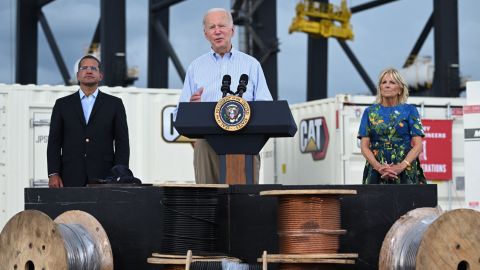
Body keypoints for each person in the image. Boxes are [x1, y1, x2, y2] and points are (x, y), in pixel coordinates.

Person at [176, 8, 273, 184]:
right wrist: (190, 108)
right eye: (212, 27)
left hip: (246, 142)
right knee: (208, 202)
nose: (217, 31)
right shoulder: (195, 67)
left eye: (222, 25)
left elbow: (266, 106)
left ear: (232, 30)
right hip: (207, 143)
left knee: (244, 204)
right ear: (206, 34)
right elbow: (179, 115)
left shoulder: (252, 65)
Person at [47, 55, 130, 187]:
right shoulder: (62, 105)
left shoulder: (115, 104)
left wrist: (120, 174)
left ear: (100, 76)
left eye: (93, 68)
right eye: (84, 68)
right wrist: (53, 173)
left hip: (105, 176)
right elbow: (54, 143)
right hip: (69, 176)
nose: (89, 71)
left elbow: (122, 143)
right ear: (78, 75)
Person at [357, 68, 426, 184]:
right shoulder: (370, 112)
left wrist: (401, 166)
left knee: (408, 201)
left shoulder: (410, 110)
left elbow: (418, 145)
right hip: (376, 170)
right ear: (380, 88)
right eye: (384, 82)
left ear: (400, 89)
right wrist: (379, 167)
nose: (387, 85)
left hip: (405, 169)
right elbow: (364, 146)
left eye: (392, 82)